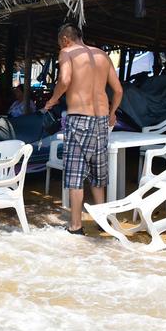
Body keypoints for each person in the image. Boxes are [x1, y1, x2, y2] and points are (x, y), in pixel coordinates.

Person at [44, 23, 123, 235]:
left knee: (75, 175)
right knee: (98, 173)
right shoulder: (102, 55)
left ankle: (76, 226)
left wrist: (53, 99)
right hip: (101, 120)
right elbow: (118, 90)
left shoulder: (67, 52)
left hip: (79, 119)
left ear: (64, 40)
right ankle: (101, 221)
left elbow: (65, 79)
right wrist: (113, 112)